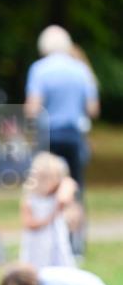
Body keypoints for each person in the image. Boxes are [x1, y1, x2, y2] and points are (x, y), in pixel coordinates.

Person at [24, 25, 99, 191]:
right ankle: (76, 214)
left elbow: (33, 108)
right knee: (75, 183)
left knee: (44, 185)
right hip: (74, 135)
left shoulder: (39, 69)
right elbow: (92, 109)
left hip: (48, 136)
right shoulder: (81, 70)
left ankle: (47, 215)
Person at [19, 152, 79, 270]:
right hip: (36, 243)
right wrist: (50, 217)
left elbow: (64, 197)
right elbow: (28, 223)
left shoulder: (60, 192)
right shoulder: (30, 198)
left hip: (57, 241)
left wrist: (64, 184)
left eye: (49, 177)